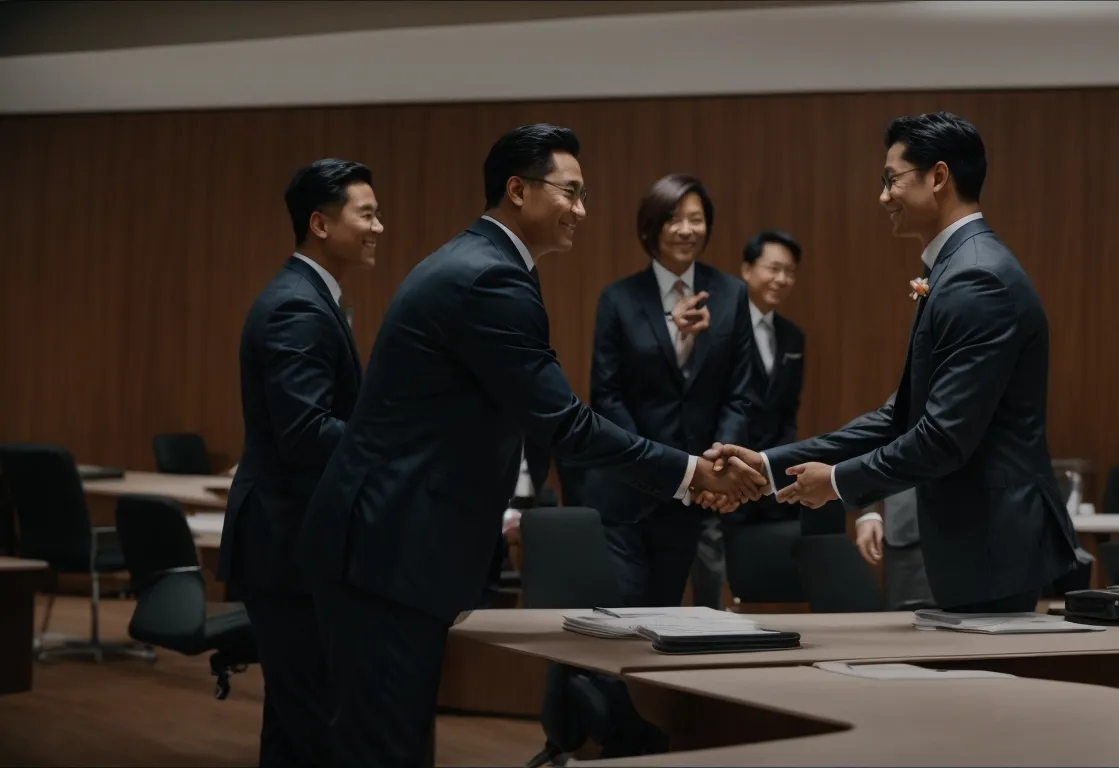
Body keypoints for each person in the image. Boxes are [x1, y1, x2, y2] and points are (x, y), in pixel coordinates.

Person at [295, 124, 765, 766]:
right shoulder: (489, 277)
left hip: (389, 537)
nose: (581, 209)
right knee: (384, 744)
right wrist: (689, 473)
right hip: (389, 540)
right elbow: (564, 421)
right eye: (569, 192)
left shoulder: (486, 263)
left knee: (388, 738)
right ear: (518, 190)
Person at [708, 111, 1079, 614]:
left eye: (891, 180)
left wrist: (837, 482)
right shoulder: (958, 267)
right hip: (981, 540)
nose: (882, 196)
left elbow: (942, 437)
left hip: (994, 541)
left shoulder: (977, 279)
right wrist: (775, 464)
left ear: (939, 177)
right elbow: (900, 415)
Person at [218, 158, 380, 768]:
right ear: (319, 223)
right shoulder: (299, 307)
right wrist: (388, 440)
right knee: (312, 721)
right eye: (366, 213)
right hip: (288, 544)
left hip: (290, 541)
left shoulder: (311, 297)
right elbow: (306, 432)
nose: (378, 227)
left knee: (293, 722)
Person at [589, 174, 761, 608]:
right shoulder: (619, 299)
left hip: (693, 489)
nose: (686, 230)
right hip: (629, 486)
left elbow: (739, 393)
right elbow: (606, 395)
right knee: (622, 613)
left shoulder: (731, 294)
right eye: (674, 219)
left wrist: (717, 463)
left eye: (696, 219)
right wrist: (653, 464)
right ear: (652, 227)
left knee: (666, 610)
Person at [731, 230, 844, 533]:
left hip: (770, 479)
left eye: (790, 271)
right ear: (746, 269)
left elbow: (788, 411)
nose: (781, 279)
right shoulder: (722, 328)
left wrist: (774, 467)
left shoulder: (793, 337)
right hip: (727, 474)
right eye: (773, 268)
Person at [856, 487, 935, 610]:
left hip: (960, 533)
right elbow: (867, 470)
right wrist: (868, 512)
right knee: (905, 615)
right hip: (903, 536)